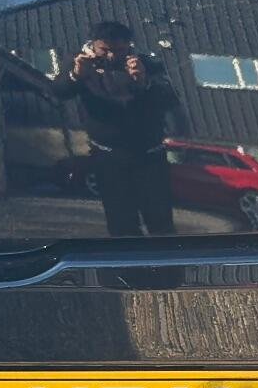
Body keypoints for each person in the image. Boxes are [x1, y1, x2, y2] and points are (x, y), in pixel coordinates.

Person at [55, 21, 180, 236]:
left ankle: (164, 258)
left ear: (129, 46)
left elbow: (170, 99)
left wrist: (144, 82)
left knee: (161, 224)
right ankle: (128, 258)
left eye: (119, 50)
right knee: (121, 225)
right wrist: (75, 75)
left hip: (149, 155)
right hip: (107, 157)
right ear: (93, 44)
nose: (112, 56)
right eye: (105, 50)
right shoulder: (79, 62)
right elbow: (58, 91)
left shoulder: (147, 63)